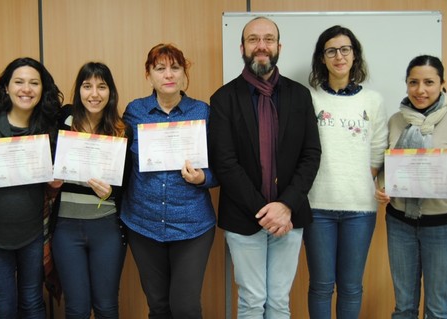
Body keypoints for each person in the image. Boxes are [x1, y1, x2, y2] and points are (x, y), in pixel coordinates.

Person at [207, 16, 322, 318]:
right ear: (242, 46)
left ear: (278, 46)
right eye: (254, 39)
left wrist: (285, 206)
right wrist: (265, 211)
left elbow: (311, 155)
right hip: (244, 218)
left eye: (268, 39)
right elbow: (225, 162)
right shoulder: (223, 99)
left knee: (280, 301)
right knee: (252, 300)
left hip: (290, 216)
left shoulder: (300, 96)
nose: (262, 46)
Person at [375, 55, 447, 319]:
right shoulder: (395, 121)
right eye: (414, 82)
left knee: (437, 309)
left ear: (442, 84)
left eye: (429, 82)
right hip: (400, 223)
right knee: (404, 308)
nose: (420, 90)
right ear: (406, 84)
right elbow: (385, 168)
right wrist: (382, 187)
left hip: (444, 226)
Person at [0, 57, 63, 318]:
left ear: (42, 90)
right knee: (3, 307)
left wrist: (54, 184)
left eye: (34, 83)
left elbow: (52, 184)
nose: (26, 89)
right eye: (19, 82)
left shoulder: (48, 126)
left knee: (32, 302)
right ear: (6, 87)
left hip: (34, 234)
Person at [121, 43, 217, 319]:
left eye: (175, 67)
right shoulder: (134, 112)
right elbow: (118, 157)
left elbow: (222, 167)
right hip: (143, 224)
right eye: (160, 68)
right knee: (158, 307)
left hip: (192, 226)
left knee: (185, 308)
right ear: (148, 74)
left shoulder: (202, 112)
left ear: (184, 73)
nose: (168, 75)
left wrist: (202, 178)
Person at [303, 25, 388, 318]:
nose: (339, 56)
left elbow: (378, 150)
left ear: (354, 55)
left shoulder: (373, 101)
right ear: (322, 58)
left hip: (360, 208)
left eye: (345, 49)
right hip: (317, 206)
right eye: (331, 51)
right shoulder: (310, 100)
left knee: (351, 287)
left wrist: (360, 179)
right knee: (321, 286)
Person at [51, 62, 127, 319]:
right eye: (87, 86)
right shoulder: (63, 120)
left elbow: (126, 186)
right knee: (77, 308)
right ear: (78, 91)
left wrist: (109, 193)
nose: (94, 94)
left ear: (111, 92)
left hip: (105, 227)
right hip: (65, 228)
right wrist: (51, 180)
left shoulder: (120, 129)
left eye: (101, 87)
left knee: (106, 306)